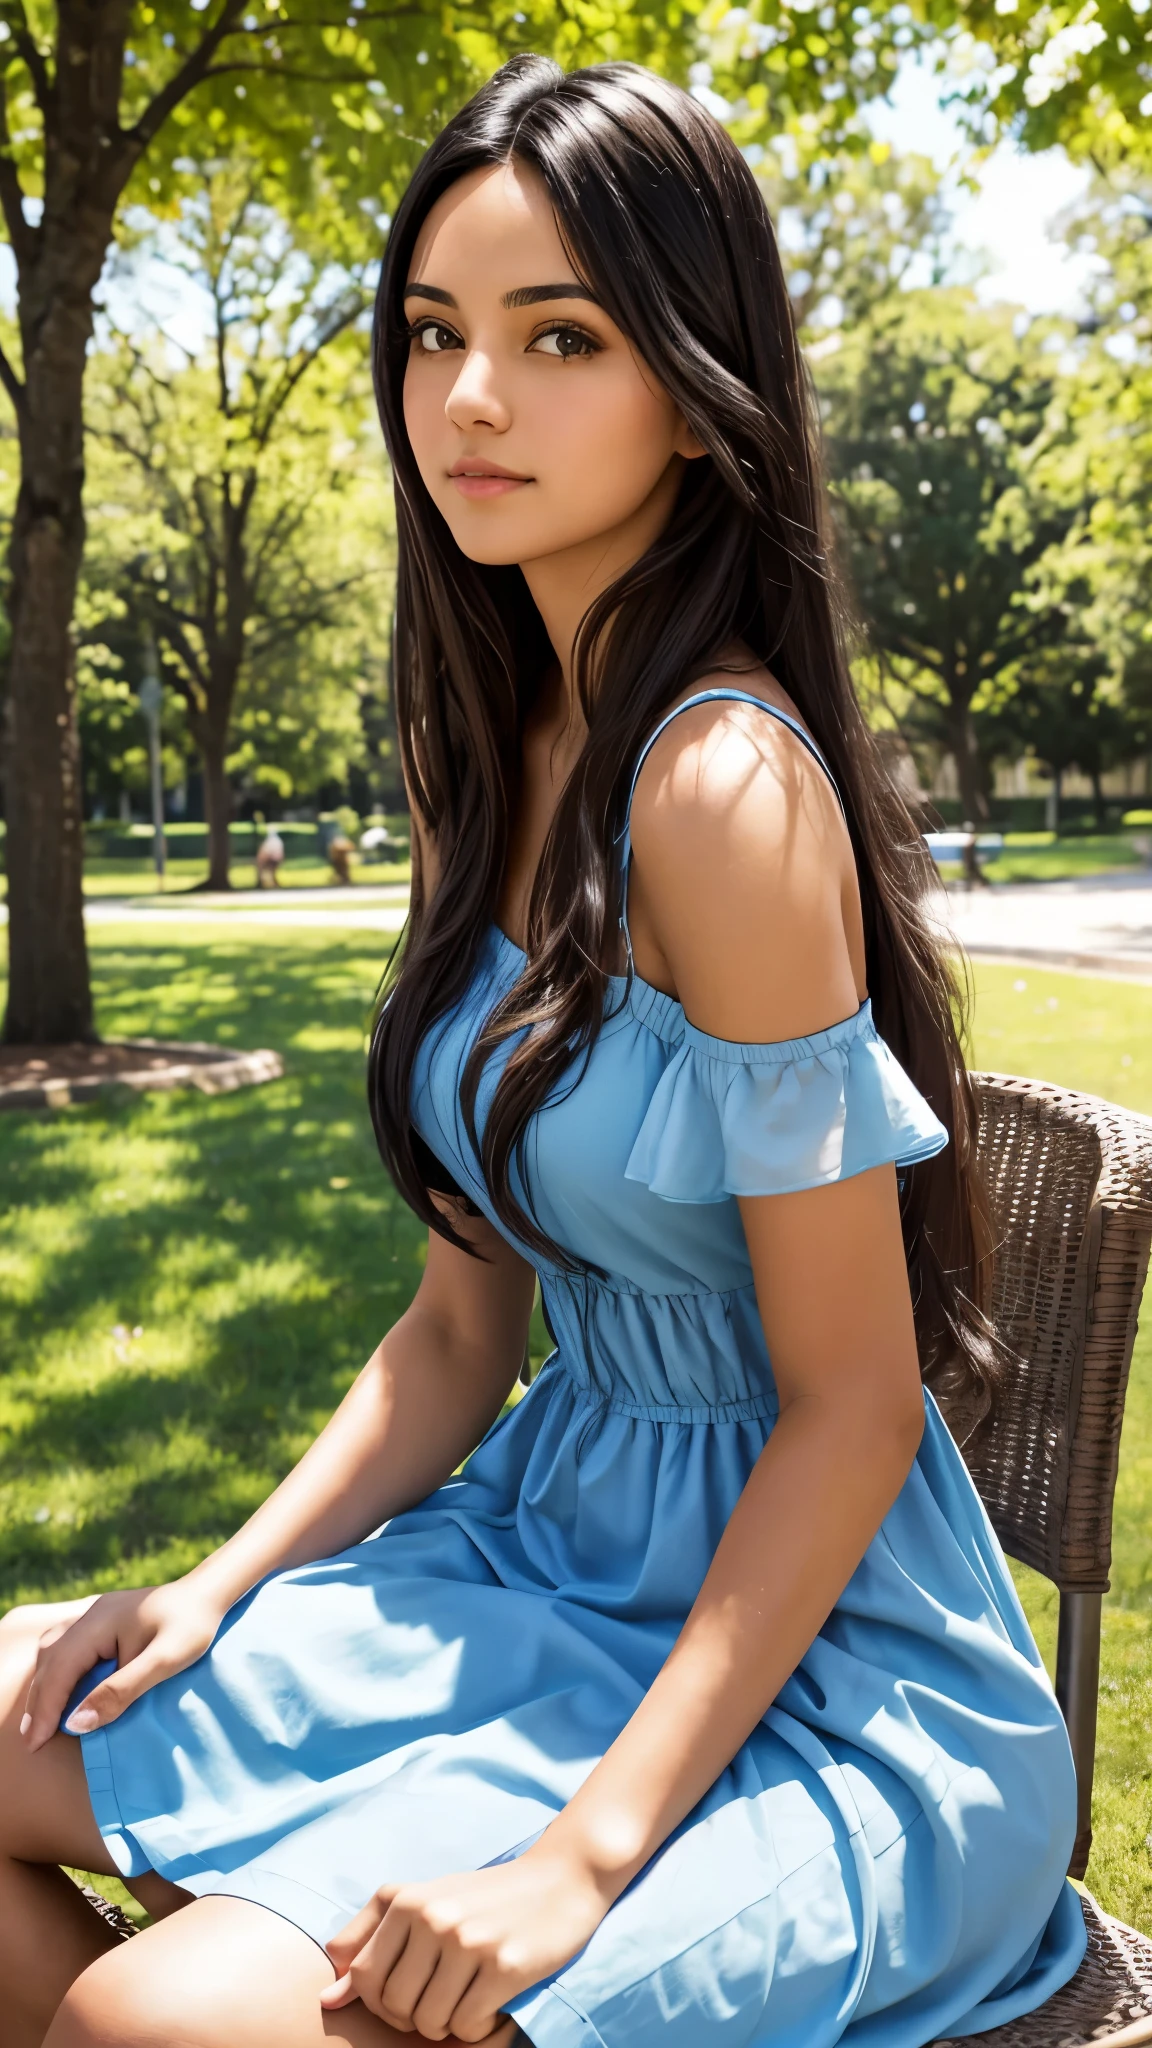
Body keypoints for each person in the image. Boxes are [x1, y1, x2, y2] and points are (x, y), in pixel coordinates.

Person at [0, 56, 1084, 2048]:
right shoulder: (479, 759)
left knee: (149, 2020)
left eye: (558, 336)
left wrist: (584, 1852)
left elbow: (851, 1402)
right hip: (542, 1566)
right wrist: (217, 1588)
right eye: (433, 335)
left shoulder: (725, 787)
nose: (469, 400)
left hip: (818, 1678)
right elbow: (451, 1337)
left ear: (693, 381)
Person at [255, 824, 286, 889]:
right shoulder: (277, 840)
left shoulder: (270, 841)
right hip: (274, 859)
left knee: (261, 866)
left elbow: (264, 853)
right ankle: (269, 882)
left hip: (272, 859)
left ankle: (261, 882)